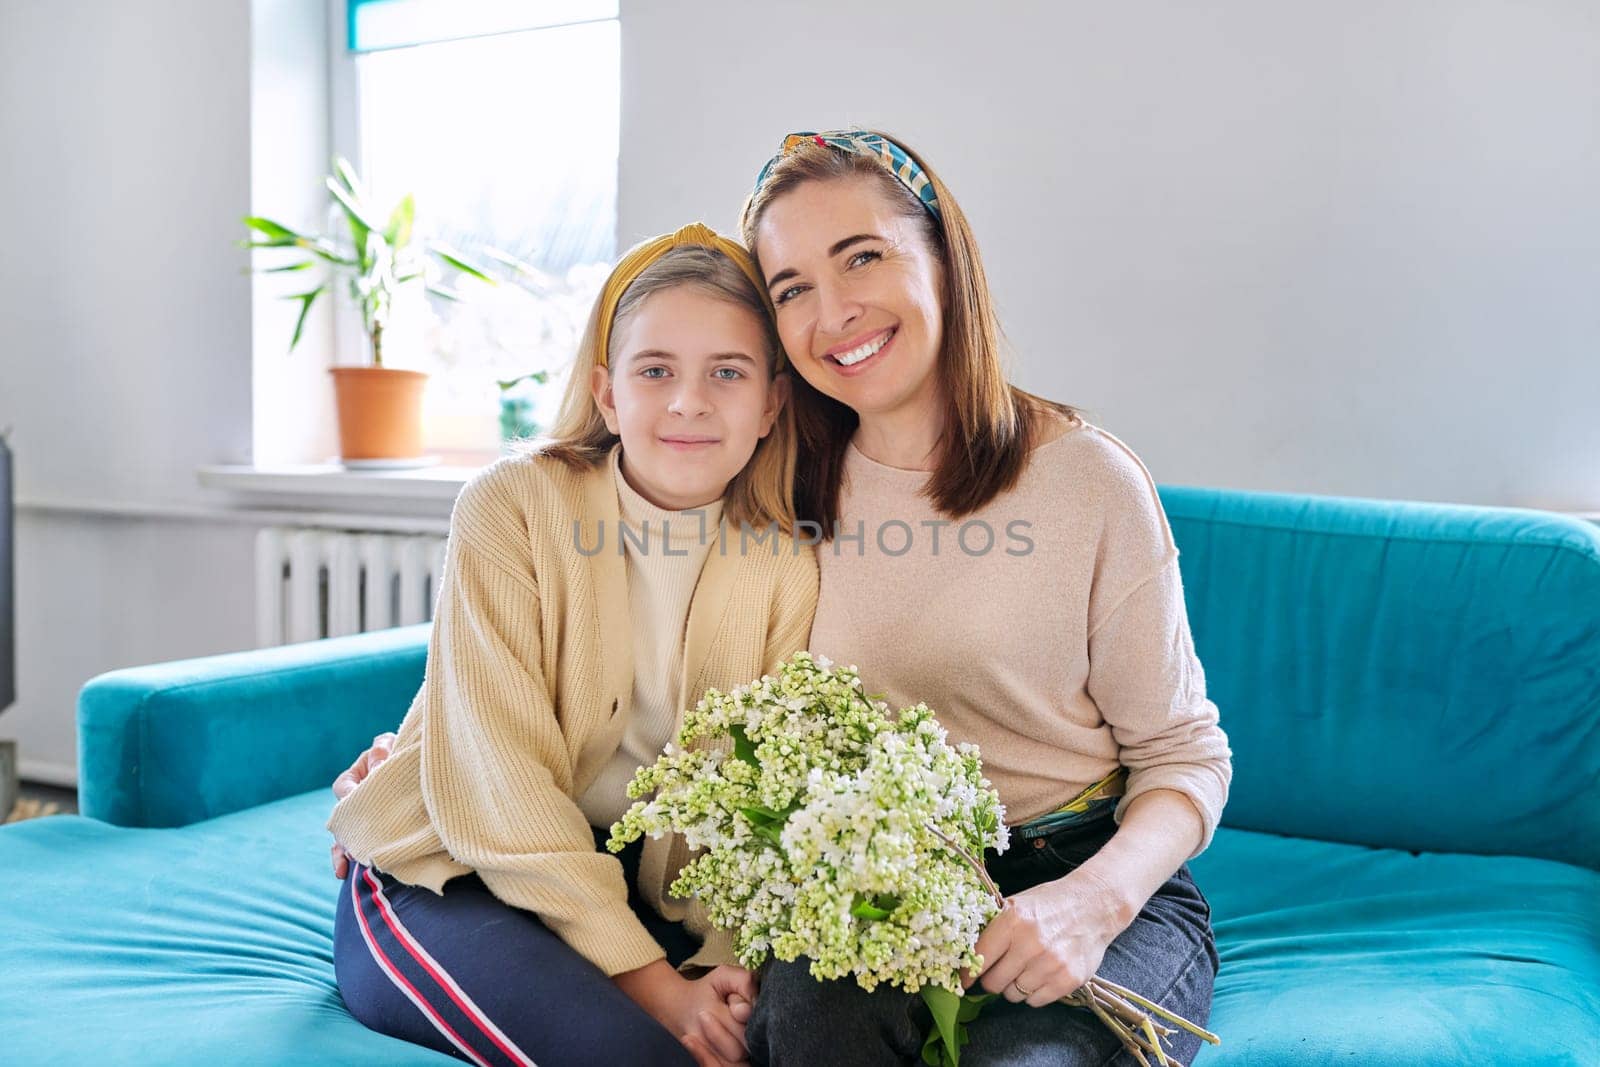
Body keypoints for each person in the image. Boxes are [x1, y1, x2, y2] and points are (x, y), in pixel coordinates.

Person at [338, 130, 1233, 1067]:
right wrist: (425, 747)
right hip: (873, 880)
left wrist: (1092, 901)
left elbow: (1185, 751)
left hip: (1078, 864)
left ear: (944, 257)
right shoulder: (777, 485)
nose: (834, 311)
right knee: (793, 1038)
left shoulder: (1083, 478)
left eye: (864, 259)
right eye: (792, 288)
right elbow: (650, 677)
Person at [325, 222, 818, 1067]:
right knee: (628, 1053)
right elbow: (497, 779)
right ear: (607, 393)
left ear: (772, 403)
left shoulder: (786, 559)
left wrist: (724, 968)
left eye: (726, 373)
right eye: (655, 369)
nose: (688, 401)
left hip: (638, 895)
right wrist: (660, 989)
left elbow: (763, 802)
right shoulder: (511, 505)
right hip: (450, 866)